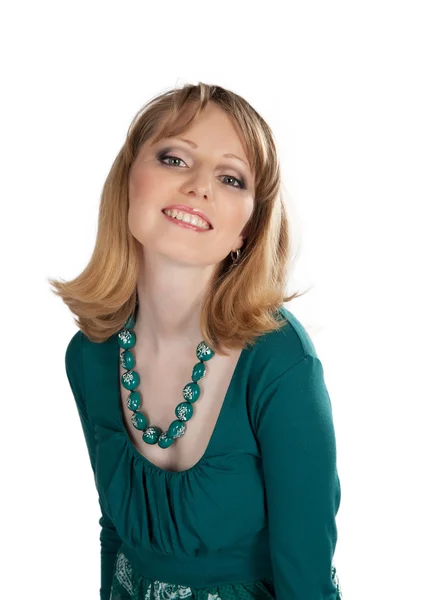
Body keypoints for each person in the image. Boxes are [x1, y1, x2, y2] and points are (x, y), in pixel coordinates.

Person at [50, 82, 343, 599]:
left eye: (231, 177)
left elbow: (308, 581)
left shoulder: (281, 364)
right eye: (175, 158)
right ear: (128, 182)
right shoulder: (89, 357)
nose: (200, 186)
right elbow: (114, 536)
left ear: (245, 232)